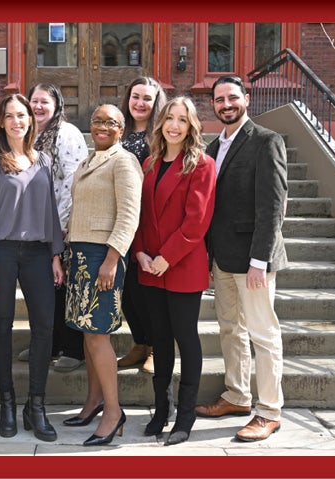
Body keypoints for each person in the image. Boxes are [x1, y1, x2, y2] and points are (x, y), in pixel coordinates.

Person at [194, 75, 288, 442]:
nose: (226, 104)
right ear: (213, 105)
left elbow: (272, 207)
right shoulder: (213, 146)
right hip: (223, 259)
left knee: (263, 335)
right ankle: (237, 395)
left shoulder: (267, 141)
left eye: (233, 97)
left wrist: (259, 261)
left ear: (246, 99)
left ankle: (269, 411)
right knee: (231, 330)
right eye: (219, 99)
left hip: (254, 262)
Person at [0, 94, 64, 442]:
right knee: (1, 326)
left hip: (40, 253)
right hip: (3, 252)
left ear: (31, 120)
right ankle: (7, 403)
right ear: (1, 122)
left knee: (44, 326)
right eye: (10, 116)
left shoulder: (42, 160)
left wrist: (56, 252)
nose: (17, 121)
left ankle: (35, 406)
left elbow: (50, 209)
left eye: (22, 115)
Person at [132, 97, 216, 445]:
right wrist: (138, 253)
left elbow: (197, 222)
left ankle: (185, 416)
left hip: (181, 266)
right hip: (149, 267)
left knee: (185, 339)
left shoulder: (202, 164)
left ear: (191, 126)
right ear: (161, 122)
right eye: (170, 118)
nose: (175, 126)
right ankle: (161, 411)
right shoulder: (150, 162)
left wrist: (167, 256)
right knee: (160, 340)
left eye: (183, 120)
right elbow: (138, 214)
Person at [64, 104, 143, 446]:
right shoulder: (88, 160)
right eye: (97, 120)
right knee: (87, 333)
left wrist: (112, 259)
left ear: (121, 129)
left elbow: (129, 216)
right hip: (81, 255)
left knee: (98, 336)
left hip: (103, 257)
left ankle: (113, 413)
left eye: (111, 122)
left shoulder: (123, 161)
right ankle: (93, 401)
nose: (102, 126)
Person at [16, 83, 89, 373]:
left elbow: (71, 183)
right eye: (34, 101)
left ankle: (72, 348)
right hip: (32, 226)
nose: (38, 107)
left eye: (44, 101)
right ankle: (46, 345)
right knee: (42, 289)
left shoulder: (67, 134)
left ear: (57, 105)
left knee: (65, 288)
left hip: (61, 225)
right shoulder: (29, 136)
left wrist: (59, 227)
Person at [117, 76, 167, 374]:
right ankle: (140, 344)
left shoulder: (160, 135)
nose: (140, 103)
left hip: (148, 221)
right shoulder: (119, 131)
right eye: (135, 96)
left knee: (148, 291)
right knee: (126, 290)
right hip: (121, 222)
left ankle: (157, 348)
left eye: (147, 98)